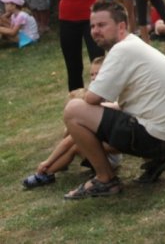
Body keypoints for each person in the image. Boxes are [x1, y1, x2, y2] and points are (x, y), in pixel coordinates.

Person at [63, 1, 165, 199]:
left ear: (121, 26)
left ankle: (105, 179)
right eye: (93, 26)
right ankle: (155, 160)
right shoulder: (133, 45)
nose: (95, 31)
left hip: (154, 138)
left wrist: (83, 98)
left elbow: (92, 98)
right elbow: (129, 101)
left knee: (73, 110)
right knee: (94, 119)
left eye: (102, 25)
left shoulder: (121, 50)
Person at [21, 57, 123, 188]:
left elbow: (68, 139)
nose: (93, 77)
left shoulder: (110, 97)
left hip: (111, 153)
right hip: (104, 145)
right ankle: (48, 172)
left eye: (98, 74)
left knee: (74, 143)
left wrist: (48, 161)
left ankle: (46, 171)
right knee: (73, 138)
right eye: (91, 74)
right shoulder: (94, 93)